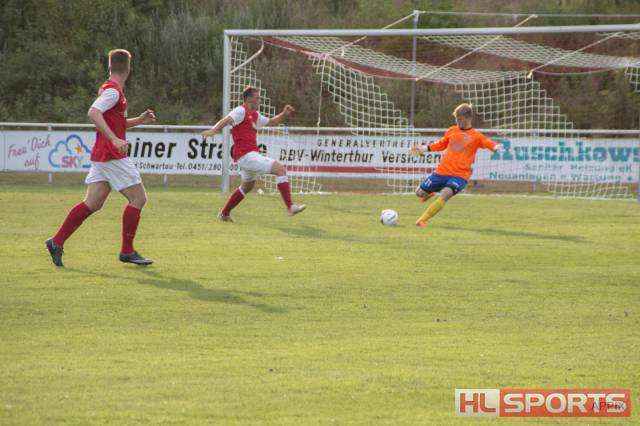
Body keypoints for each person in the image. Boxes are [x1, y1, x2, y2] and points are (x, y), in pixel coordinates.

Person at [45, 49, 156, 267]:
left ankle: (56, 241)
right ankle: (127, 251)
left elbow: (116, 122)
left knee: (92, 203)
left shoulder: (109, 89)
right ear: (128, 69)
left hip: (102, 155)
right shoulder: (113, 92)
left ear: (109, 67)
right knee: (138, 199)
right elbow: (93, 113)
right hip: (112, 155)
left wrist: (139, 120)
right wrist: (114, 139)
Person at [202, 86, 305, 221]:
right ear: (249, 98)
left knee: (247, 186)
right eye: (257, 98)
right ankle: (290, 207)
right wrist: (213, 130)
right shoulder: (240, 111)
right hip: (247, 156)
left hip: (247, 157)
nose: (259, 101)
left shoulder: (254, 115)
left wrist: (284, 114)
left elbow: (272, 122)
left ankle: (224, 214)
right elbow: (226, 120)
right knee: (280, 170)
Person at [410, 103, 502, 227]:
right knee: (419, 193)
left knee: (445, 194)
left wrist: (495, 147)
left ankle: (422, 220)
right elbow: (441, 144)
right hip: (442, 171)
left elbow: (487, 142)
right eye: (456, 119)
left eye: (460, 119)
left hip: (460, 175)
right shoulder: (452, 130)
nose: (457, 122)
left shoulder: (476, 135)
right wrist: (424, 148)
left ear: (468, 118)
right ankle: (431, 193)